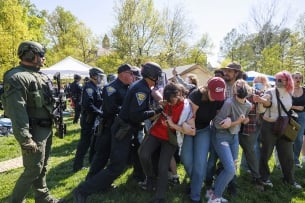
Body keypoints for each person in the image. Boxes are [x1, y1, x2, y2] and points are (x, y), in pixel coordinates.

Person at [73, 62, 163, 203]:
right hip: (123, 129)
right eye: (157, 75)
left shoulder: (140, 86)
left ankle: (139, 179)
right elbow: (136, 115)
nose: (159, 78)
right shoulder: (142, 90)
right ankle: (83, 190)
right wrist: (157, 111)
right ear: (152, 75)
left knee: (127, 159)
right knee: (116, 167)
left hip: (124, 128)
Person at [1, 41, 64, 203]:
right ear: (30, 54)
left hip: (45, 127)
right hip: (33, 130)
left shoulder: (39, 75)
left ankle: (42, 196)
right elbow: (17, 110)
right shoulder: (16, 77)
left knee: (42, 166)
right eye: (41, 54)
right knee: (33, 169)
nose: (44, 58)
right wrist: (25, 137)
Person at [138, 82, 195, 203]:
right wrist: (159, 108)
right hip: (155, 132)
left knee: (163, 166)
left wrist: (173, 124)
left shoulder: (186, 107)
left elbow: (188, 129)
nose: (169, 103)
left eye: (171, 101)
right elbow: (152, 118)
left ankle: (160, 197)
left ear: (178, 94)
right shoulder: (167, 101)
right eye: (167, 100)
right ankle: (151, 179)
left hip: (170, 138)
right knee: (143, 154)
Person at [254, 70, 302, 189]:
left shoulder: (289, 92)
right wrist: (262, 101)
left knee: (288, 155)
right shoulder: (270, 92)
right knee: (266, 153)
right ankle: (264, 178)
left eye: (280, 80)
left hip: (285, 126)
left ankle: (289, 179)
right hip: (269, 127)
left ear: (287, 81)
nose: (277, 82)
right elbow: (264, 105)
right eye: (276, 79)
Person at [180, 77, 226, 203]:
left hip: (205, 130)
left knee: (200, 164)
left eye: (219, 95)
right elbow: (191, 116)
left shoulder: (219, 99)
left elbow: (217, 116)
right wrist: (191, 129)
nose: (216, 98)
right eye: (214, 93)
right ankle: (196, 181)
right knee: (186, 159)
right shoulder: (196, 95)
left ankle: (195, 196)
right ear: (207, 89)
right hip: (190, 128)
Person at [86, 64, 135, 179]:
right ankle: (91, 179)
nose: (133, 76)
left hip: (120, 126)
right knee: (103, 154)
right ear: (122, 74)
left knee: (115, 155)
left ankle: (103, 180)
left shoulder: (128, 87)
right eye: (130, 73)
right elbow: (110, 108)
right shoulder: (111, 88)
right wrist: (128, 110)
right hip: (109, 126)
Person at [208, 79, 252, 203]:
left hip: (234, 136)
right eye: (238, 93)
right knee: (230, 169)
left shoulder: (248, 105)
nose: (239, 97)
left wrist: (245, 120)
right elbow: (216, 124)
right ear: (234, 93)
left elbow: (245, 116)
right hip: (221, 136)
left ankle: (213, 192)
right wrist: (237, 121)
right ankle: (215, 197)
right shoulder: (229, 103)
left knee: (232, 167)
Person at [238, 75, 270, 190]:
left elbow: (266, 102)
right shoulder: (231, 92)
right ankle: (226, 177)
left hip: (250, 127)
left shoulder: (254, 92)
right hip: (231, 128)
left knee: (250, 150)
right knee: (231, 153)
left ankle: (256, 177)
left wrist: (262, 100)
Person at [73, 67, 104, 172]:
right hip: (88, 119)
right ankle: (77, 166)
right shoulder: (89, 87)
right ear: (94, 76)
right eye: (100, 76)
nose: (101, 79)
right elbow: (88, 105)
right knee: (84, 143)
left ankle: (88, 162)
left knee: (90, 142)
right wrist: (100, 113)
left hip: (93, 119)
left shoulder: (95, 87)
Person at [291, 72, 305, 168]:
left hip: (302, 116)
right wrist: (295, 106)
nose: (298, 79)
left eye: (300, 78)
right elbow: (284, 103)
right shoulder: (287, 90)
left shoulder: (304, 90)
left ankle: (296, 160)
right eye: (296, 77)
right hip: (289, 115)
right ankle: (287, 159)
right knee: (288, 137)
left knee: (299, 138)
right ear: (292, 79)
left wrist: (302, 107)